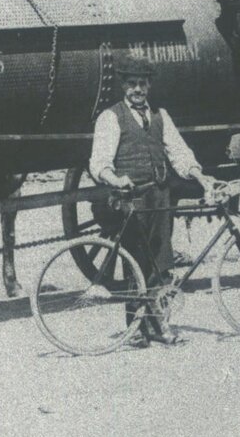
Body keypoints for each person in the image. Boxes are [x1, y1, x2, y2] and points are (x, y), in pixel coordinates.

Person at [87, 57, 215, 346]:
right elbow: (99, 163)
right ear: (123, 86)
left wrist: (200, 176)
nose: (137, 89)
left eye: (142, 84)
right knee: (135, 262)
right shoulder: (111, 117)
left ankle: (159, 326)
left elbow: (179, 153)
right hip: (131, 199)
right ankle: (136, 329)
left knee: (161, 260)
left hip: (159, 197)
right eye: (132, 84)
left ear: (149, 85)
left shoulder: (160, 116)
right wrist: (115, 179)